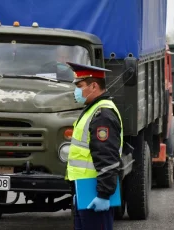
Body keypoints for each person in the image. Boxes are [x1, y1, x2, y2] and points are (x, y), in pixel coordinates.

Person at [65, 62, 123, 230]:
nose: (76, 91)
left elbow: (107, 157)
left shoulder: (102, 114)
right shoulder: (93, 110)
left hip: (95, 193)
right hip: (85, 191)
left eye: (80, 86)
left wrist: (104, 194)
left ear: (94, 86)